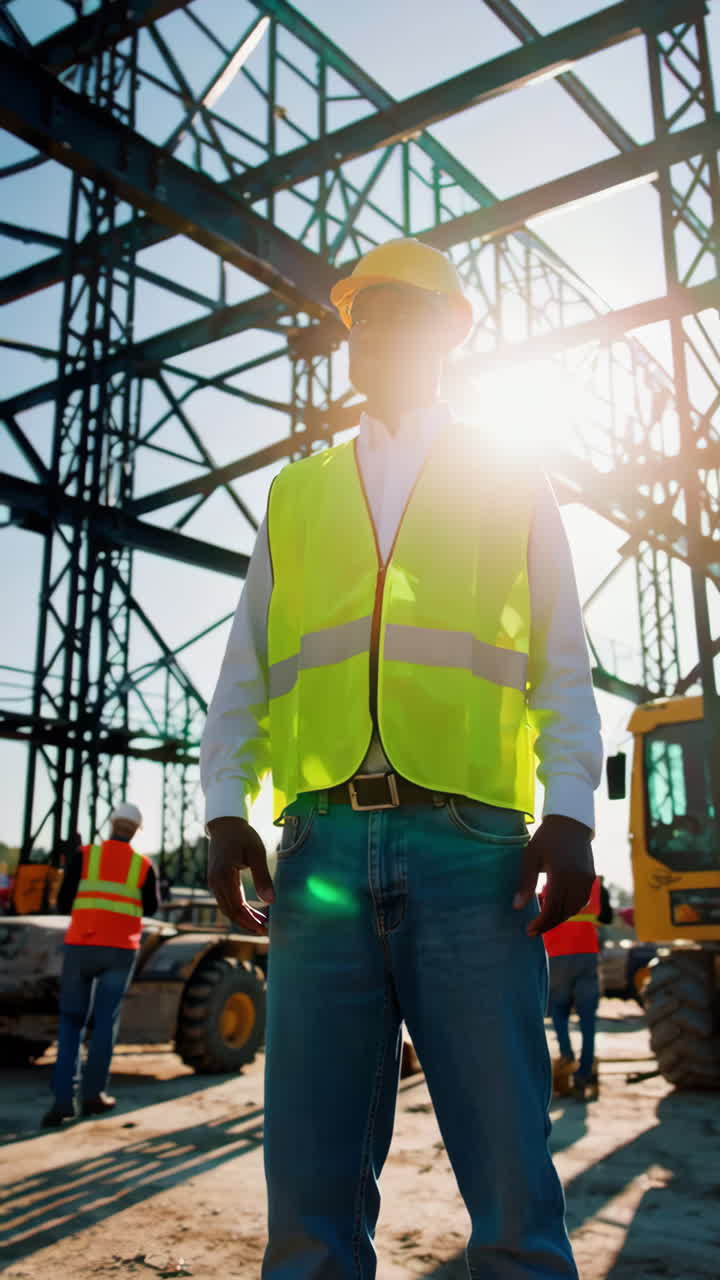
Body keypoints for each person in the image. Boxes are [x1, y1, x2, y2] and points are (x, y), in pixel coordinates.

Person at [202, 237, 603, 1279]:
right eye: (361, 312)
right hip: (322, 840)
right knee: (309, 1186)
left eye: (399, 310)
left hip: (471, 846)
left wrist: (572, 810)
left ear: (447, 332)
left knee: (513, 1179)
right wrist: (223, 805)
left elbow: (561, 659)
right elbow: (246, 665)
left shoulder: (510, 476)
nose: (373, 327)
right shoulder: (298, 495)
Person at [42, 802, 158, 1128]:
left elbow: (64, 902)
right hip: (120, 951)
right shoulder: (143, 865)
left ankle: (63, 1102)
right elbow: (151, 907)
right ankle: (94, 1096)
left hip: (81, 946)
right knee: (105, 1023)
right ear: (135, 829)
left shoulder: (85, 856)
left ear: (112, 824)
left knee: (70, 1023)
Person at [544, 875, 613, 1101]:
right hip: (586, 954)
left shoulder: (550, 886)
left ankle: (566, 1059)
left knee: (559, 1011)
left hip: (557, 956)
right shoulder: (593, 884)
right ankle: (585, 1073)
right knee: (587, 1017)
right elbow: (606, 917)